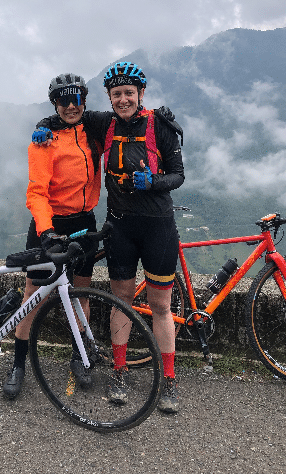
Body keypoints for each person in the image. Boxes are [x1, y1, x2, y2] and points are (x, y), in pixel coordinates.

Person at [34, 61, 184, 413]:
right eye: (117, 94)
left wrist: (155, 181)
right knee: (122, 300)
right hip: (120, 226)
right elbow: (68, 116)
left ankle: (170, 379)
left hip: (158, 226)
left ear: (141, 94)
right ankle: (118, 371)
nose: (123, 99)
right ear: (110, 97)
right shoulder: (104, 123)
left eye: (129, 93)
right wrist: (42, 125)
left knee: (161, 306)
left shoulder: (160, 125)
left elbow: (178, 175)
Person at [2, 73, 102, 399]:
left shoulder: (94, 132)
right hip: (51, 226)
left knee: (81, 294)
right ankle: (18, 364)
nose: (71, 106)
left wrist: (158, 119)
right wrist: (46, 231)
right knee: (35, 295)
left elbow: (130, 119)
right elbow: (36, 193)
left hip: (85, 223)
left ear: (85, 100)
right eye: (64, 100)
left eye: (77, 99)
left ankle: (80, 357)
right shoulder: (43, 140)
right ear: (55, 103)